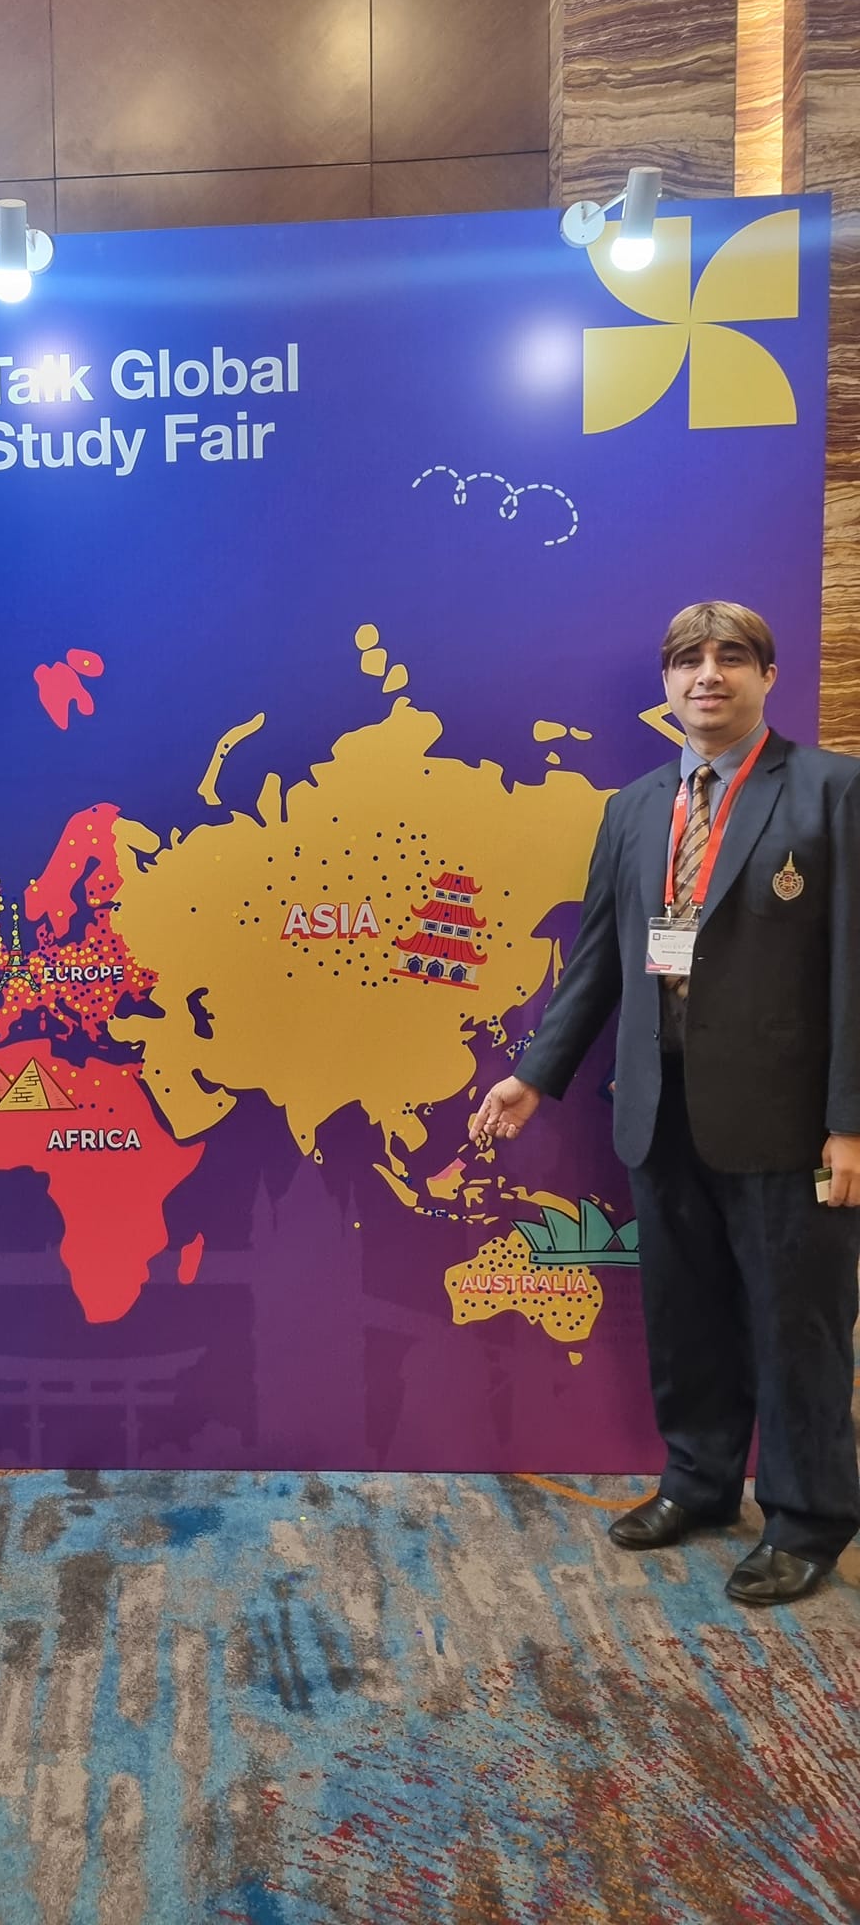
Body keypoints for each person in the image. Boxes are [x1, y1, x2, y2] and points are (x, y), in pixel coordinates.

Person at [470, 601, 860, 1605]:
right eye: (689, 659)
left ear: (768, 676)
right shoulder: (638, 805)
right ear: (668, 682)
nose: (708, 675)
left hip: (787, 1119)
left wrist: (850, 1121)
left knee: (798, 1325)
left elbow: (857, 972)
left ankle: (808, 1520)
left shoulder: (833, 789)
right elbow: (599, 957)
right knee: (686, 1315)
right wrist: (535, 1072)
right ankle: (698, 1483)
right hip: (661, 1105)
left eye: (732, 657)